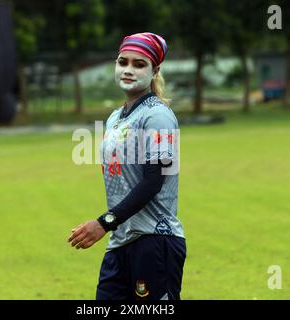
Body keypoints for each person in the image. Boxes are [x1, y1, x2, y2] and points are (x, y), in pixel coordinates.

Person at [68, 32, 186, 300]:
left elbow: (153, 181)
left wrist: (103, 223)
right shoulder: (114, 118)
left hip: (154, 241)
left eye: (139, 64)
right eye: (123, 62)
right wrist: (112, 227)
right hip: (120, 242)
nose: (128, 70)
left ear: (155, 71)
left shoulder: (158, 116)